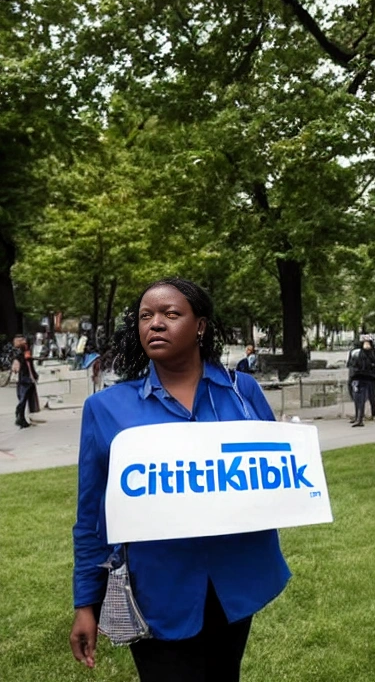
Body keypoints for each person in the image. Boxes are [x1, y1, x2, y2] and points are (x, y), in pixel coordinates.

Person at [69, 278, 290, 681]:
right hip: (156, 590)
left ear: (200, 326)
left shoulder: (242, 393)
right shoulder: (105, 409)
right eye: (145, 316)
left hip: (234, 583)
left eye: (171, 314)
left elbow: (273, 477)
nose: (155, 324)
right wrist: (86, 601)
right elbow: (91, 515)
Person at [348, 336, 375, 427]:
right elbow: (351, 364)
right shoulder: (355, 352)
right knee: (357, 398)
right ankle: (358, 417)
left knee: (363, 397)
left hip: (365, 377)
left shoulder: (370, 352)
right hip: (358, 377)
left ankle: (362, 417)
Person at [11, 334, 39, 428]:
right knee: (23, 399)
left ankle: (21, 417)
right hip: (24, 378)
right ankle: (20, 417)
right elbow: (27, 364)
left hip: (25, 378)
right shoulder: (20, 352)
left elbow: (29, 364)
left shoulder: (23, 350)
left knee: (25, 398)